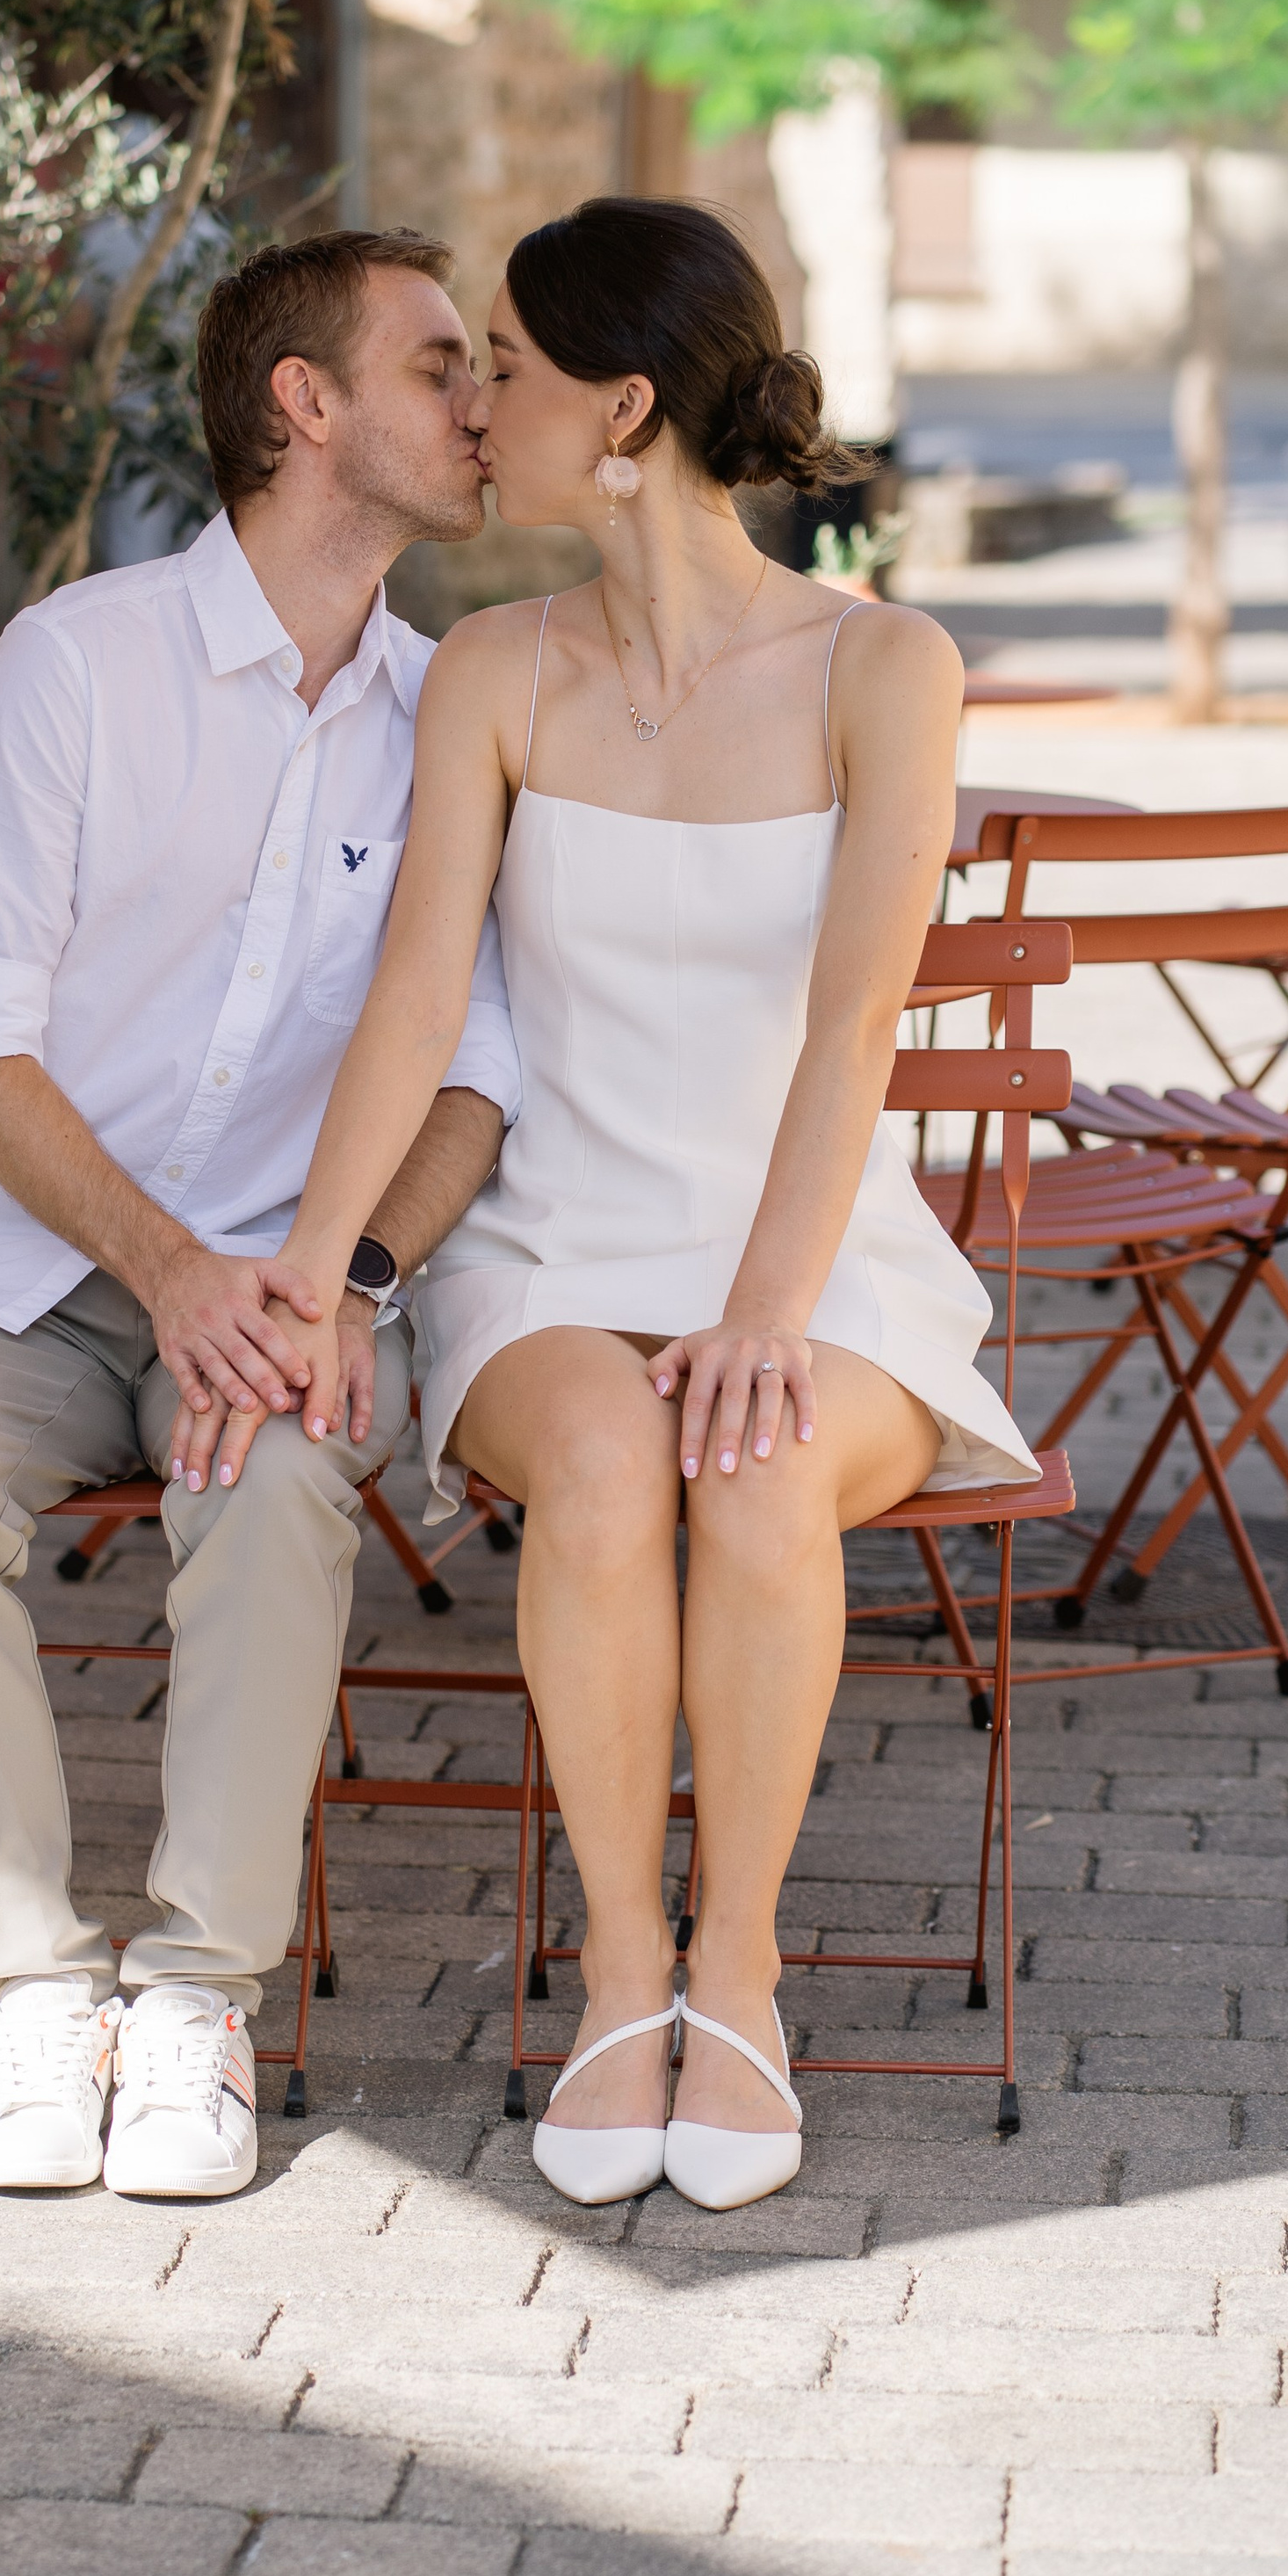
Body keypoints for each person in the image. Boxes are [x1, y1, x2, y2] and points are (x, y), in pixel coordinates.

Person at [268, 196, 1038, 2216]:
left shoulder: (884, 664)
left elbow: (852, 1025)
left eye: (501, 367)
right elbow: (415, 1003)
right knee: (610, 1458)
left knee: (755, 1464)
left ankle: (739, 1975)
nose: (469, 403)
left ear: (619, 410)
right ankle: (621, 1975)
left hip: (816, 1256)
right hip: (551, 1252)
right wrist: (315, 1272)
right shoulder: (493, 671)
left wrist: (767, 1311)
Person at [0, 229, 519, 2203]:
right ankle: (35, 1990)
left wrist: (344, 1281)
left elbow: (473, 1081)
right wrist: (166, 1269)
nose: (481, 405)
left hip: (297, 1286)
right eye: (438, 365)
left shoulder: (452, 713)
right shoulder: (76, 665)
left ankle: (199, 1998)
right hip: (45, 1266)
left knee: (284, 1482)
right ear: (305, 404)